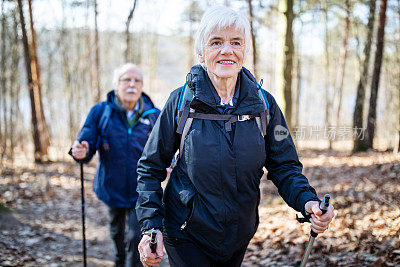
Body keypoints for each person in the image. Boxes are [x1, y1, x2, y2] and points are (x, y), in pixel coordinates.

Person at [136, 6, 335, 267]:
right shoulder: (182, 102)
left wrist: (308, 202)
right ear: (201, 53)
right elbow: (149, 167)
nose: (226, 50)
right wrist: (151, 226)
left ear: (245, 51)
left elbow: (284, 166)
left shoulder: (264, 105)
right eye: (216, 42)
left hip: (238, 235)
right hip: (185, 232)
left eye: (236, 42)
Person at [70, 63, 160, 267]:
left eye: (137, 81)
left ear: (142, 86)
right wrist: (80, 150)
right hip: (112, 186)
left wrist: (171, 162)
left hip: (142, 191)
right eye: (126, 80)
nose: (132, 84)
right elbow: (86, 140)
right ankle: (119, 260)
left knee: (136, 238)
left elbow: (166, 148)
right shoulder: (101, 112)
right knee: (116, 232)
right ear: (116, 85)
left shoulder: (154, 115)